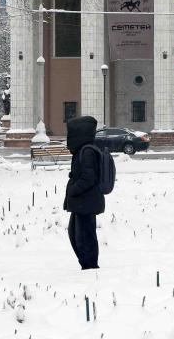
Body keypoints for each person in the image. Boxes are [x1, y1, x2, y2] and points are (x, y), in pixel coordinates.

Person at [64, 115, 105, 269]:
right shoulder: (83, 150)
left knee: (85, 236)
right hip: (81, 202)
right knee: (75, 234)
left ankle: (90, 266)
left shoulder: (87, 151)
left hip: (85, 202)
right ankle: (86, 263)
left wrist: (74, 190)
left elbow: (89, 177)